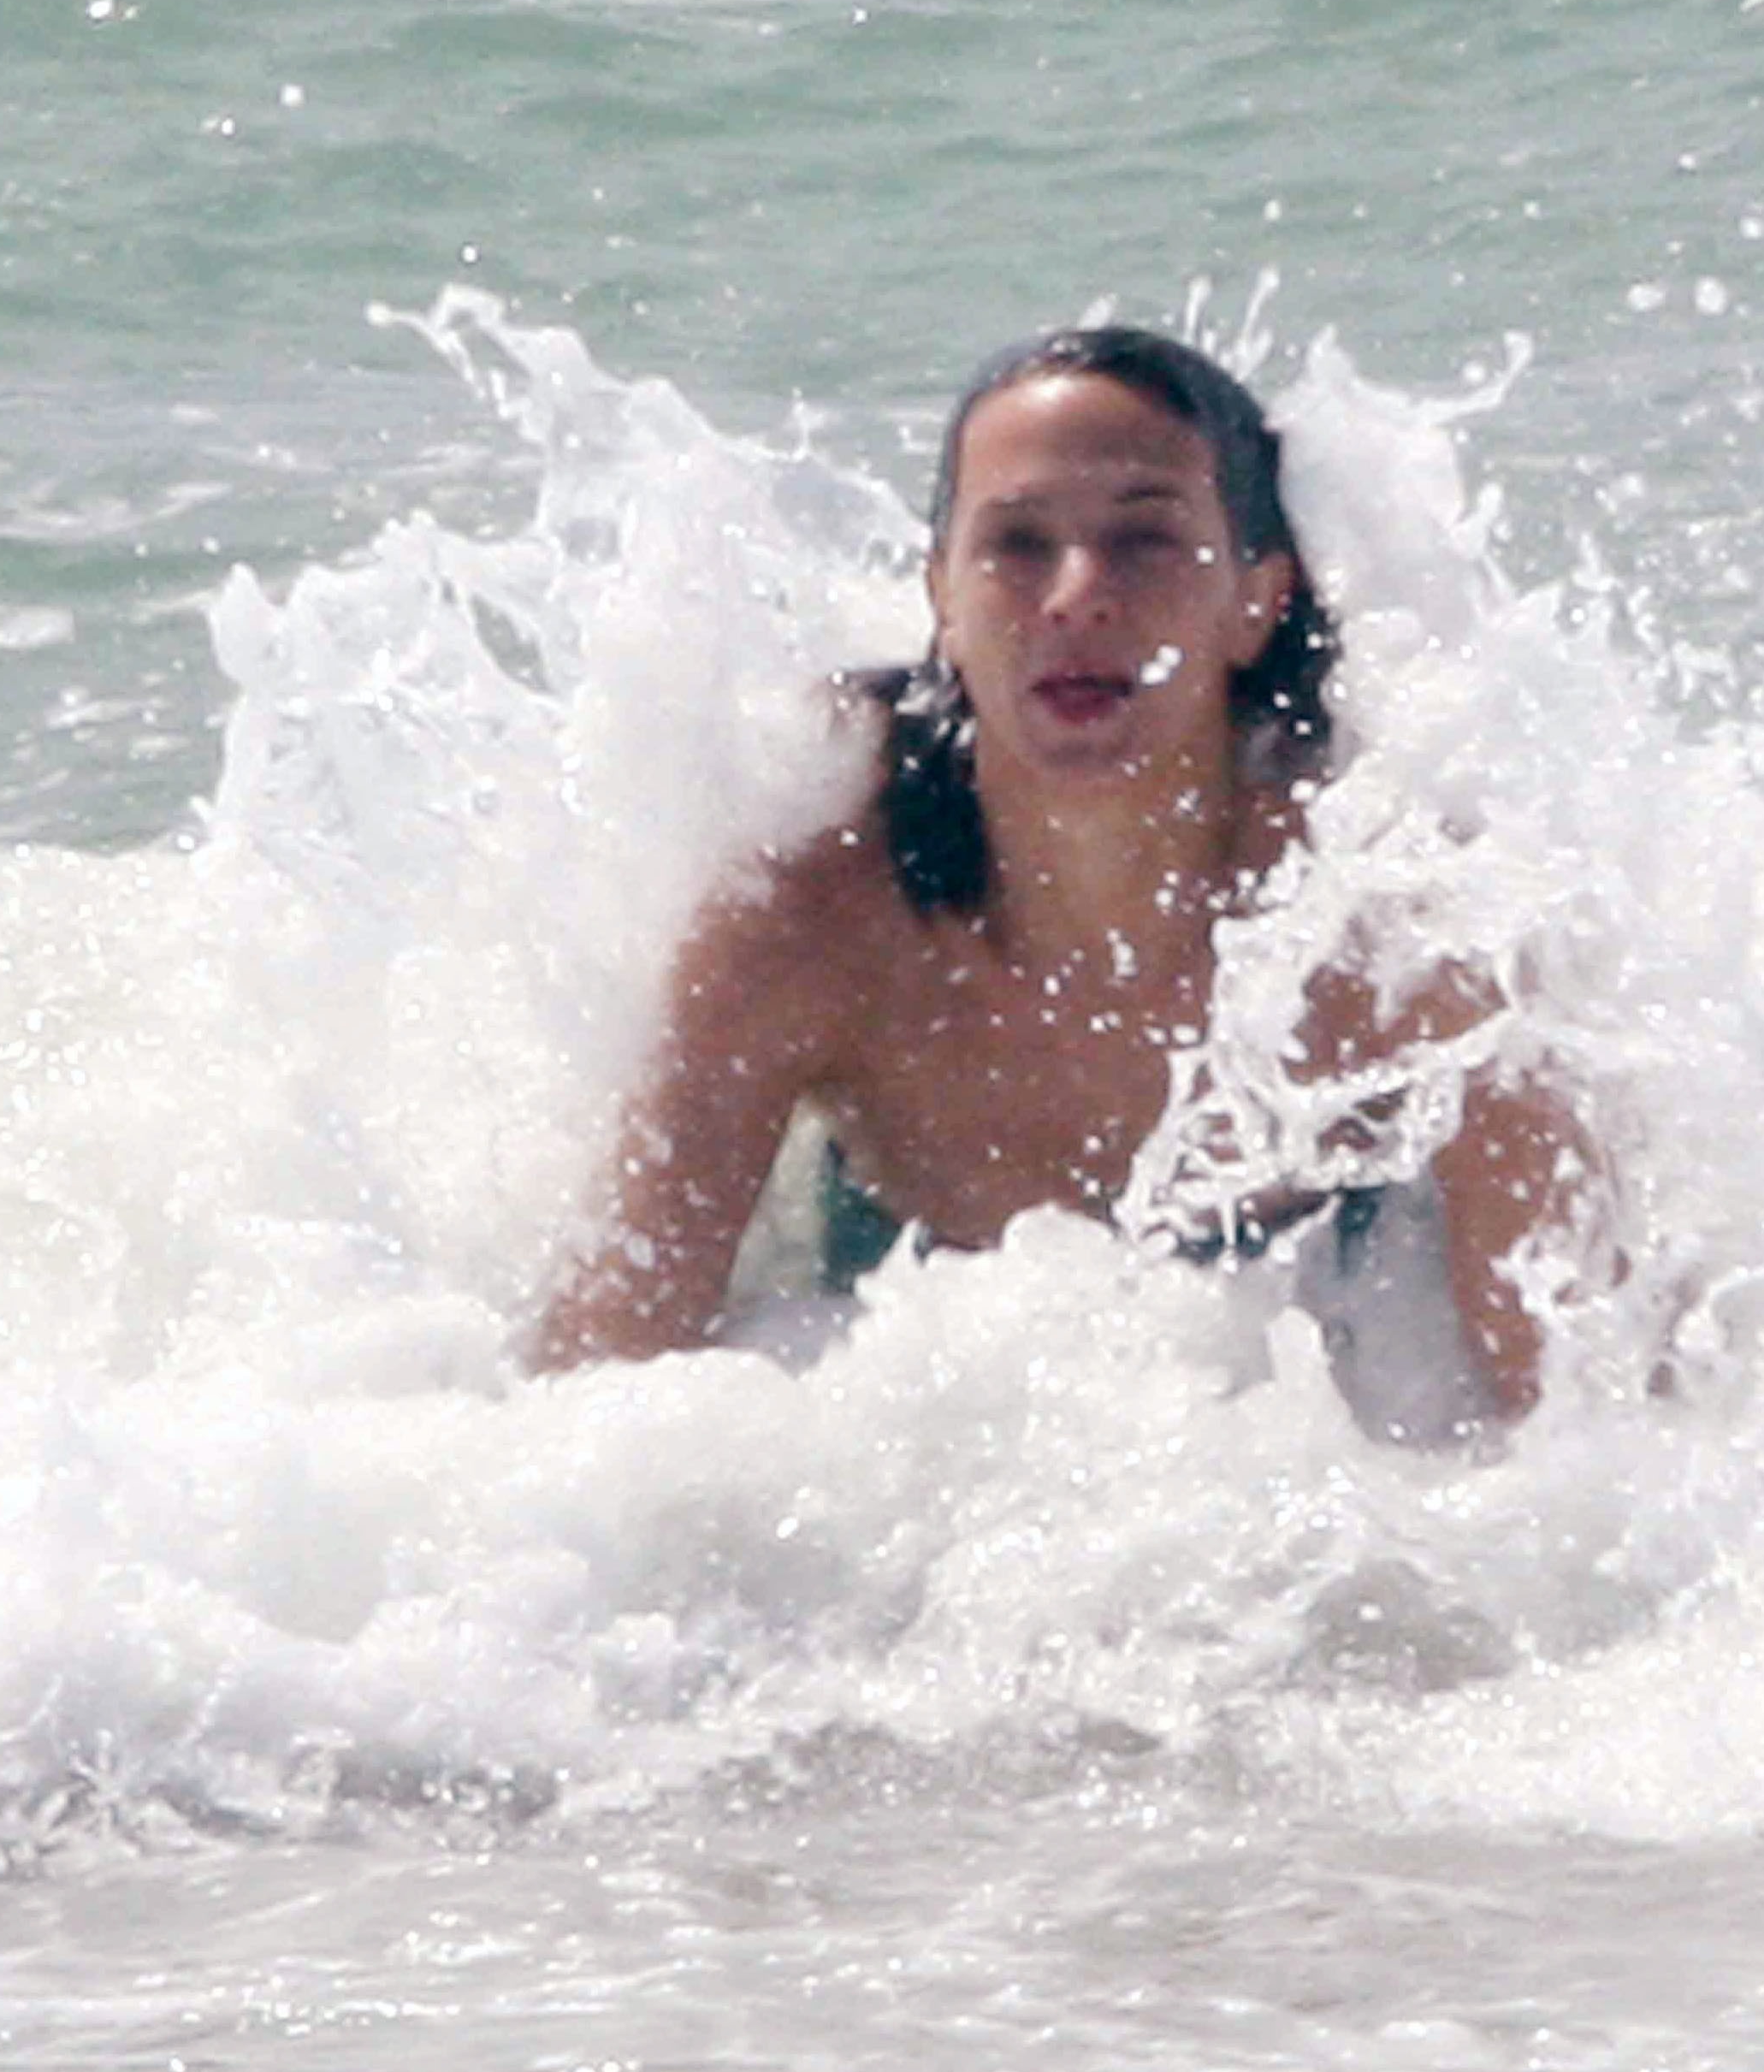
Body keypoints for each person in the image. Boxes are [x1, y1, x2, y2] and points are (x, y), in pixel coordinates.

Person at [527, 325, 1599, 1424]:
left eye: (1144, 539)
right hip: (909, 1444)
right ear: (944, 600)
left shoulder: (1400, 928)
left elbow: (1591, 1422)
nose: (1077, 595)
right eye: (1019, 543)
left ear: (1257, 600)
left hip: (1322, 1439)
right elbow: (592, 1397)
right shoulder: (813, 918)